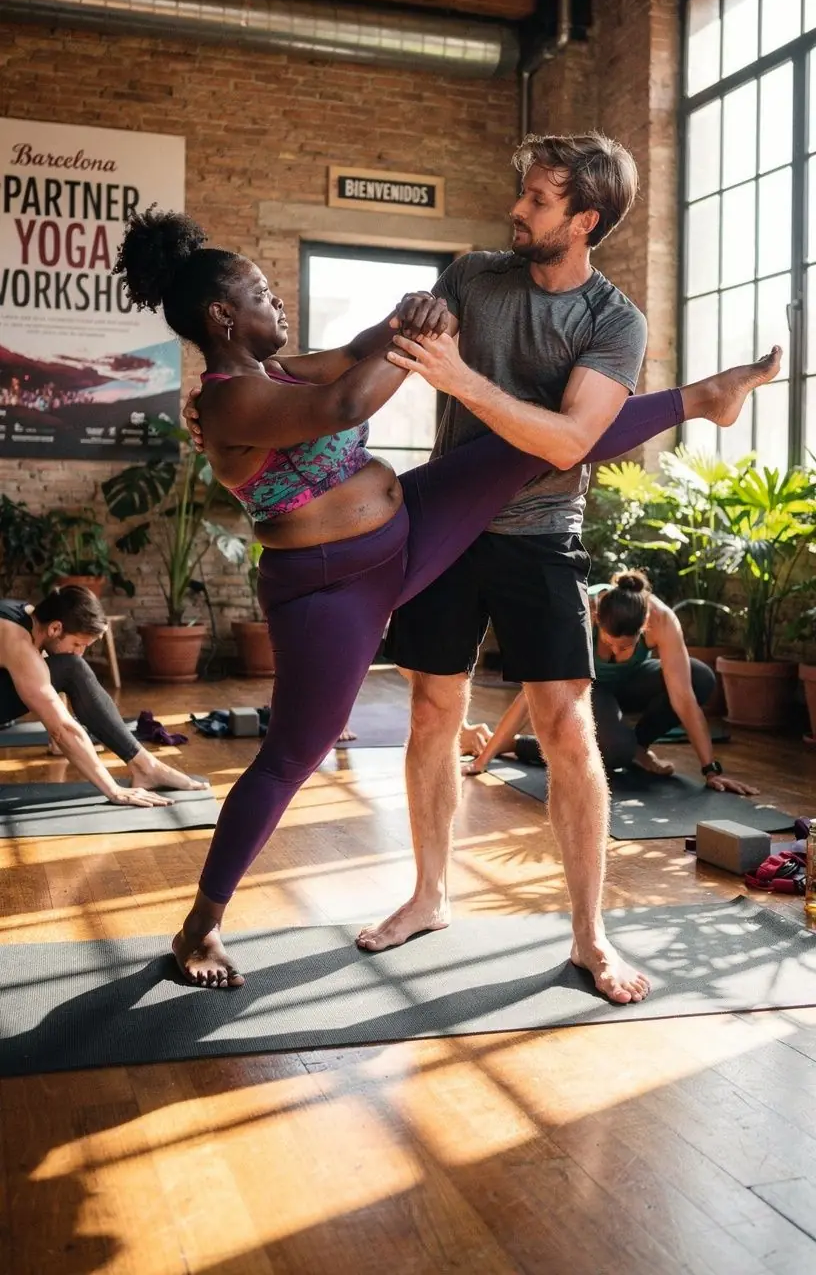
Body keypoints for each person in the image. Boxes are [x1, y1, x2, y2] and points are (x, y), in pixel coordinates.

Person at [143, 195, 777, 992]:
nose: (277, 300)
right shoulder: (228, 399)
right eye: (262, 293)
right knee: (293, 754)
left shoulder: (277, 367)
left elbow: (354, 353)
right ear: (221, 317)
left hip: (405, 535)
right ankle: (199, 924)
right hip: (331, 592)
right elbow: (343, 404)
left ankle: (702, 398)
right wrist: (427, 341)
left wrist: (411, 316)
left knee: (531, 447)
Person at [354, 130, 781, 1005]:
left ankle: (591, 935)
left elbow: (570, 442)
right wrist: (412, 319)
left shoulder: (611, 321)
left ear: (584, 219)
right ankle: (430, 895)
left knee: (565, 729)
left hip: (542, 532)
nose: (519, 207)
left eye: (540, 200)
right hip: (447, 526)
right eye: (525, 192)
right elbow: (395, 353)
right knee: (433, 710)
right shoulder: (473, 276)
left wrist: (462, 378)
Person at [464, 569, 758, 796]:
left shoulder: (662, 620)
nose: (615, 652)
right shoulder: (578, 613)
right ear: (596, 618)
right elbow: (530, 695)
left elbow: (684, 698)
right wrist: (483, 760)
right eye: (609, 644)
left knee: (699, 677)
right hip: (589, 689)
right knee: (616, 751)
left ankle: (638, 747)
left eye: (625, 648)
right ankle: (517, 745)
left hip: (632, 683)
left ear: (644, 627)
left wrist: (711, 771)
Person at [0, 585, 206, 805]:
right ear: (55, 628)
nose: (80, 652)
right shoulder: (16, 640)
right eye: (78, 644)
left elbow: (47, 677)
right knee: (71, 667)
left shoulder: (31, 618)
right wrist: (113, 790)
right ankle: (144, 767)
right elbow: (62, 729)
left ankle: (146, 766)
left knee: (71, 666)